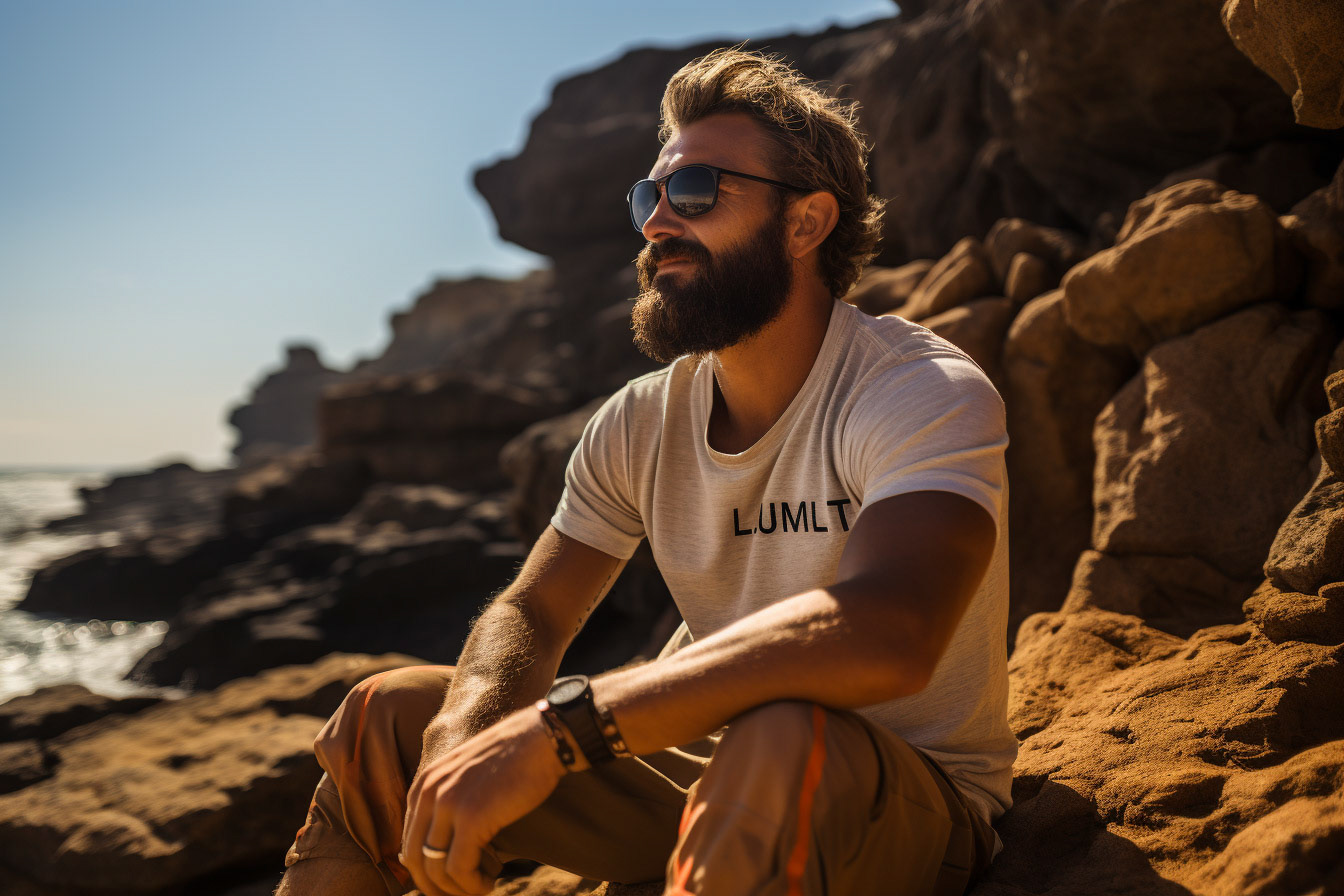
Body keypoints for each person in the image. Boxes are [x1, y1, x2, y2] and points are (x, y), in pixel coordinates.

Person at [278, 47, 1016, 896]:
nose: (658, 221)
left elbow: (890, 629)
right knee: (389, 717)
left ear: (807, 223)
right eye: (649, 196)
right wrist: (466, 734)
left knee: (782, 739)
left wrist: (563, 731)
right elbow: (536, 606)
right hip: (693, 766)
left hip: (896, 797)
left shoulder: (917, 390)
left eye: (696, 192)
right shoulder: (641, 417)